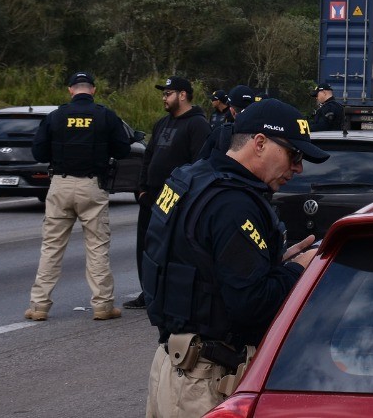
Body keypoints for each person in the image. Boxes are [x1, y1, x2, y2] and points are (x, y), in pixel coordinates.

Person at [143, 98, 329, 418]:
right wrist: (298, 270)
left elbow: (200, 263)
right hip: (203, 380)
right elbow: (251, 304)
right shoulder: (234, 204)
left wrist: (271, 264)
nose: (298, 167)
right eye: (293, 154)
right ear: (259, 143)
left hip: (170, 365)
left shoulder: (192, 178)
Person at [25, 71, 133, 322]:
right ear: (93, 90)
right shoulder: (105, 115)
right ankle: (103, 306)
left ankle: (39, 306)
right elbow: (123, 149)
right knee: (96, 248)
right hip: (92, 187)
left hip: (60, 186)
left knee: (51, 248)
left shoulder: (56, 116)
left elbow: (38, 152)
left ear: (71, 90)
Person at [125, 76, 211, 310]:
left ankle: (168, 294)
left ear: (182, 95)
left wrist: (183, 198)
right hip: (150, 196)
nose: (164, 98)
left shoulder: (197, 125)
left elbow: (199, 165)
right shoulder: (162, 123)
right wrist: (141, 189)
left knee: (171, 249)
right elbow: (149, 157)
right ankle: (148, 292)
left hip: (174, 197)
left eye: (168, 93)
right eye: (164, 94)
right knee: (145, 246)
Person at [199, 84, 255, 160]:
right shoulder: (267, 133)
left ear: (232, 111)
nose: (211, 102)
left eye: (213, 100)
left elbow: (201, 161)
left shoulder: (220, 132)